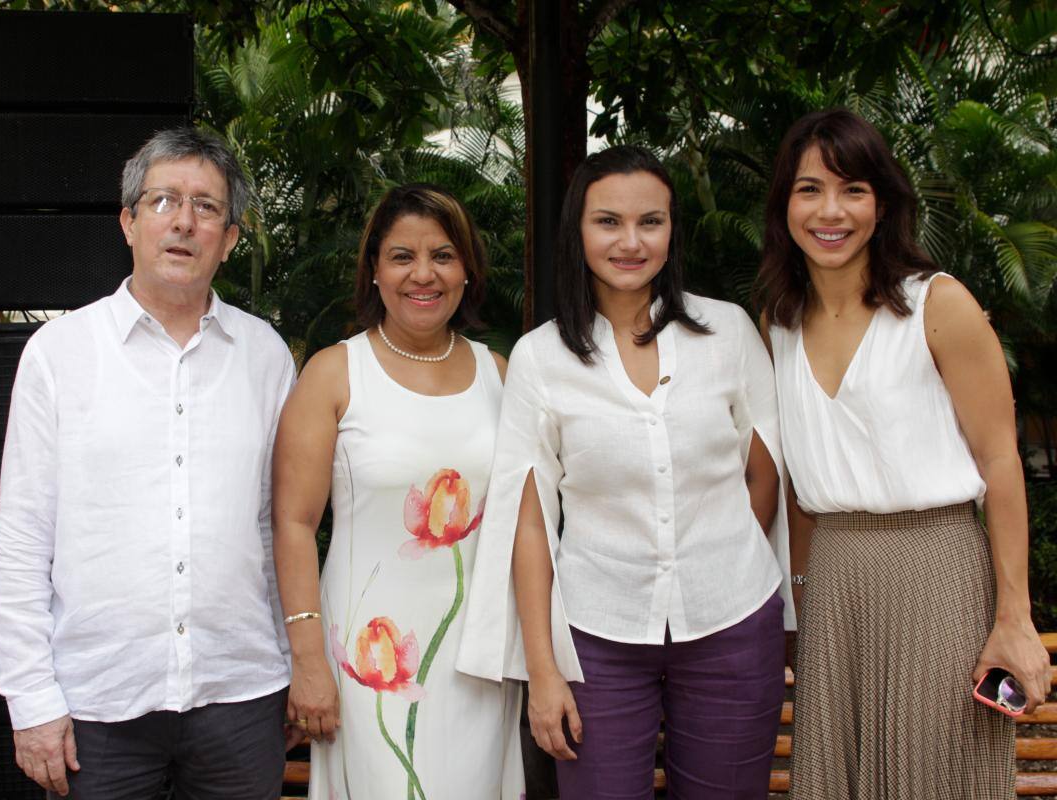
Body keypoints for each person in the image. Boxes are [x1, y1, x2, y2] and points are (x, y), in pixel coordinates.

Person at [457, 145, 796, 800]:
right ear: (577, 231)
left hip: (732, 623)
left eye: (652, 221)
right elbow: (528, 522)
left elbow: (765, 477)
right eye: (608, 221)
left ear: (673, 228)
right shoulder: (539, 358)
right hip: (594, 637)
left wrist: (712, 556)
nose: (632, 242)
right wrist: (543, 670)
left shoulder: (727, 333)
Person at [0, 127, 298, 799]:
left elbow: (283, 526)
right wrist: (31, 699)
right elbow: (20, 540)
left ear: (232, 237)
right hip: (99, 699)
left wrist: (299, 662)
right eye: (163, 200)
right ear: (128, 223)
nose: (184, 221)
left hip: (240, 692)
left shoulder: (266, 356)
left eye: (207, 206)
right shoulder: (58, 354)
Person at [757, 108, 1051, 800]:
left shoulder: (937, 305)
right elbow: (799, 492)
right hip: (833, 583)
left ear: (883, 204)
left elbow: (1002, 465)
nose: (831, 211)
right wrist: (801, 607)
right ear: (784, 206)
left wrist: (1015, 615)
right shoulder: (778, 324)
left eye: (853, 189)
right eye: (810, 189)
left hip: (936, 571)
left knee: (934, 775)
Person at [271, 184, 525, 800]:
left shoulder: (499, 373)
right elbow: (294, 524)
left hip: (478, 657)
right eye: (402, 256)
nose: (424, 274)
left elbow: (524, 523)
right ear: (375, 271)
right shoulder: (335, 372)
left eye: (443, 255)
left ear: (467, 271)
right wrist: (308, 663)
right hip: (366, 659)